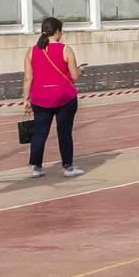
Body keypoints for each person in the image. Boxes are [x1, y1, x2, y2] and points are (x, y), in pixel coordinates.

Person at [23, 17, 83, 178]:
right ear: (57, 32)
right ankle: (68, 167)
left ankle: (36, 167)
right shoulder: (66, 50)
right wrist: (79, 70)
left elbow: (28, 78)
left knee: (39, 133)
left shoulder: (31, 51)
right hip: (64, 97)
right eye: (61, 30)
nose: (62, 33)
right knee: (64, 132)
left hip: (40, 98)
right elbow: (75, 76)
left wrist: (25, 99)